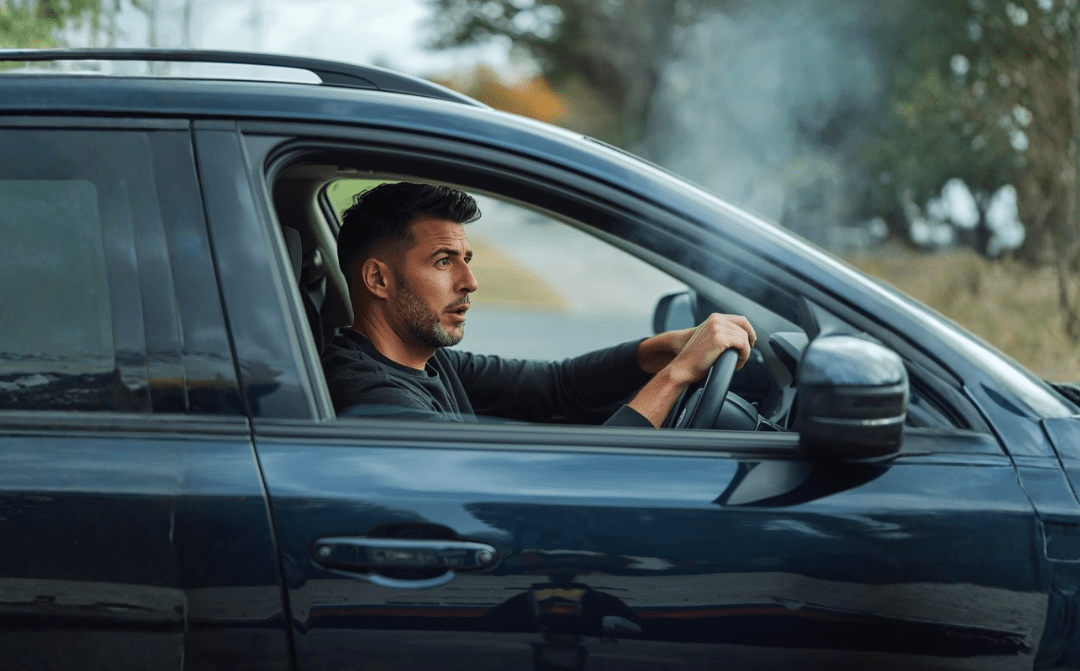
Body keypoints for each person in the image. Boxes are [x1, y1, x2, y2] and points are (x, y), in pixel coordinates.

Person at [321, 182, 756, 428]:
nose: (470, 282)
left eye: (466, 260)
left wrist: (666, 347)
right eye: (442, 262)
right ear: (378, 278)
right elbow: (586, 480)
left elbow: (556, 385)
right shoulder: (379, 402)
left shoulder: (426, 360)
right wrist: (678, 377)